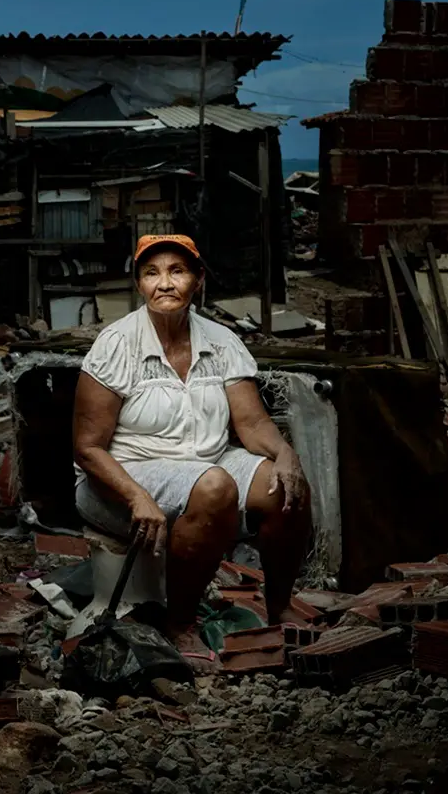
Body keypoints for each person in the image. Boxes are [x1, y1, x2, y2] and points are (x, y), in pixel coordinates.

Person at [73, 234, 311, 662]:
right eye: (152, 273)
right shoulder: (116, 344)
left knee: (283, 485)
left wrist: (286, 454)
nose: (164, 283)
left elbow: (253, 423)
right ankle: (180, 624)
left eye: (177, 271)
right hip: (125, 473)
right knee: (215, 486)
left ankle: (280, 606)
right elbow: (87, 448)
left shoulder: (220, 341)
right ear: (139, 284)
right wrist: (135, 495)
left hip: (205, 461)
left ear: (198, 280)